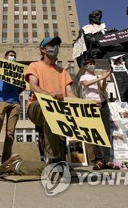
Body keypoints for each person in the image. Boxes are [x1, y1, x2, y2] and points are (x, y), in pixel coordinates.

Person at [25, 36, 76, 164]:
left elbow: (70, 93)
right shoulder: (34, 65)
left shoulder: (63, 72)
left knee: (58, 126)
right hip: (37, 107)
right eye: (51, 45)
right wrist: (50, 95)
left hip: (58, 109)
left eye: (56, 45)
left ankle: (59, 161)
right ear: (43, 49)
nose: (55, 48)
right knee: (49, 110)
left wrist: (89, 105)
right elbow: (33, 86)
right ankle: (53, 159)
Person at [78, 59, 118, 170]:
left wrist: (104, 78)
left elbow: (103, 88)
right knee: (96, 132)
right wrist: (100, 77)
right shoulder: (84, 77)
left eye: (93, 64)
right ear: (85, 66)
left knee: (105, 131)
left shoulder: (97, 76)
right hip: (92, 105)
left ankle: (108, 159)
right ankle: (99, 159)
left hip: (103, 103)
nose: (92, 66)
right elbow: (86, 84)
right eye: (90, 64)